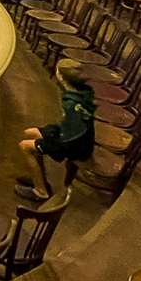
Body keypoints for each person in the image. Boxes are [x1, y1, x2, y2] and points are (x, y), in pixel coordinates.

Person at [17, 59, 95, 202]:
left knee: (24, 146)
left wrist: (52, 140)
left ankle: (41, 192)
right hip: (73, 136)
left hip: (75, 144)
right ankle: (38, 177)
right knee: (30, 132)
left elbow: (72, 135)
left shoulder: (72, 104)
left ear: (61, 78)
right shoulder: (81, 91)